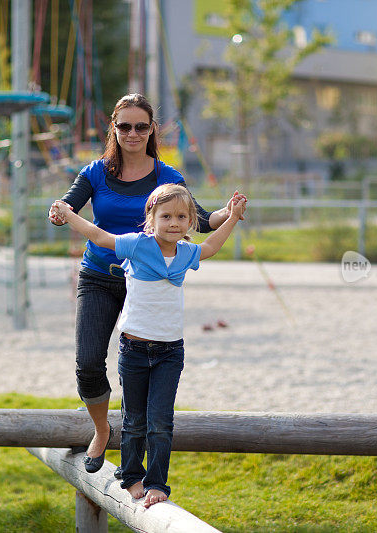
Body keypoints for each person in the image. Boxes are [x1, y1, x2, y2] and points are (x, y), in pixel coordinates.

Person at [47, 93, 245, 477]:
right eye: (124, 126)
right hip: (100, 278)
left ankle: (135, 447)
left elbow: (202, 222)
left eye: (141, 126)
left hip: (149, 284)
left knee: (138, 365)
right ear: (114, 129)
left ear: (152, 129)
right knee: (88, 364)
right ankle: (103, 429)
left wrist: (230, 211)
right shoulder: (95, 172)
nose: (133, 133)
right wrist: (58, 212)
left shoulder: (168, 177)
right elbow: (67, 207)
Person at [52, 183, 247, 507]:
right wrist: (70, 215)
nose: (174, 222)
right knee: (135, 420)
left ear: (189, 223)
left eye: (181, 217)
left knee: (160, 421)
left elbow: (211, 246)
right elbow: (101, 237)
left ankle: (157, 483)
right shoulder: (138, 246)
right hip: (134, 350)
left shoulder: (185, 253)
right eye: (166, 216)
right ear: (151, 219)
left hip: (170, 352)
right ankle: (132, 476)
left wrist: (233, 217)